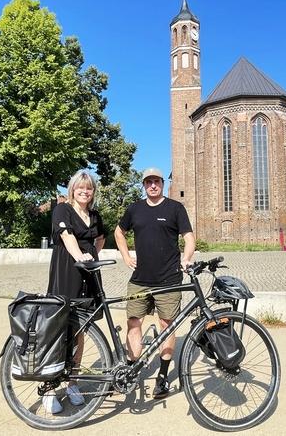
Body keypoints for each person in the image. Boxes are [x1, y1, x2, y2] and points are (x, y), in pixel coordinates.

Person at [114, 167, 195, 399]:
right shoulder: (135, 209)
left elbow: (189, 237)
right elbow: (119, 232)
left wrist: (186, 258)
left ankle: (162, 376)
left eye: (156, 181)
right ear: (143, 185)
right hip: (140, 279)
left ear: (161, 183)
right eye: (148, 181)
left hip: (169, 279)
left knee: (166, 325)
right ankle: (131, 369)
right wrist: (126, 255)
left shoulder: (175, 208)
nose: (152, 185)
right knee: (133, 323)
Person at [45, 170, 106, 414]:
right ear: (72, 189)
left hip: (88, 277)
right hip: (68, 271)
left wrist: (93, 255)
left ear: (93, 192)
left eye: (89, 188)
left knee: (82, 330)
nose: (84, 191)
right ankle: (50, 387)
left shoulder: (95, 215)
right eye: (80, 187)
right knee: (60, 331)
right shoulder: (63, 209)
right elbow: (67, 235)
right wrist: (80, 256)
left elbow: (100, 238)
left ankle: (73, 383)